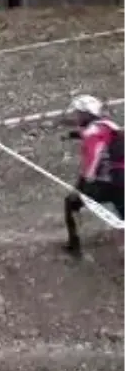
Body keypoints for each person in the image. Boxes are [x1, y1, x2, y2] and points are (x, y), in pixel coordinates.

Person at [62, 95, 124, 258]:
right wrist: (75, 135)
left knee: (71, 202)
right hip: (121, 181)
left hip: (106, 184)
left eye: (78, 113)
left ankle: (73, 245)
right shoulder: (110, 125)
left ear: (86, 114)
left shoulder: (92, 132)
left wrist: (85, 181)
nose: (76, 116)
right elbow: (101, 138)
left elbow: (95, 153)